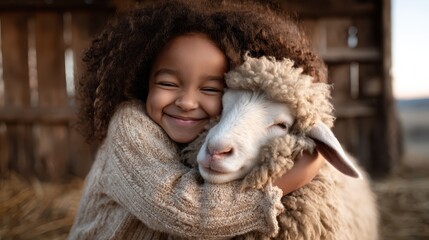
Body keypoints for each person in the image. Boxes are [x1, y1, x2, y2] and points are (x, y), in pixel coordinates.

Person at [69, 0, 326, 239]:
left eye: (210, 89)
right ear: (141, 80)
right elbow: (178, 210)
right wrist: (286, 182)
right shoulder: (129, 128)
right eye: (168, 83)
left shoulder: (211, 133)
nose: (187, 102)